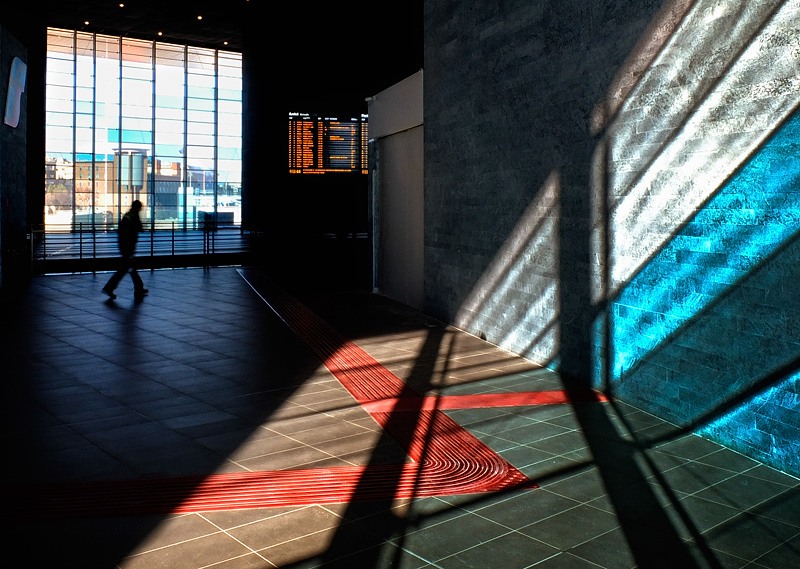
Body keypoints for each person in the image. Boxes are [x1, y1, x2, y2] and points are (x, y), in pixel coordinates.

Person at [102, 200, 149, 300]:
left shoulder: (129, 216)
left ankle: (138, 288)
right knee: (126, 269)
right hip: (128, 247)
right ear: (137, 208)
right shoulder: (132, 217)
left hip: (125, 246)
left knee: (129, 268)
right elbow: (138, 228)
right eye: (140, 208)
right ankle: (109, 288)